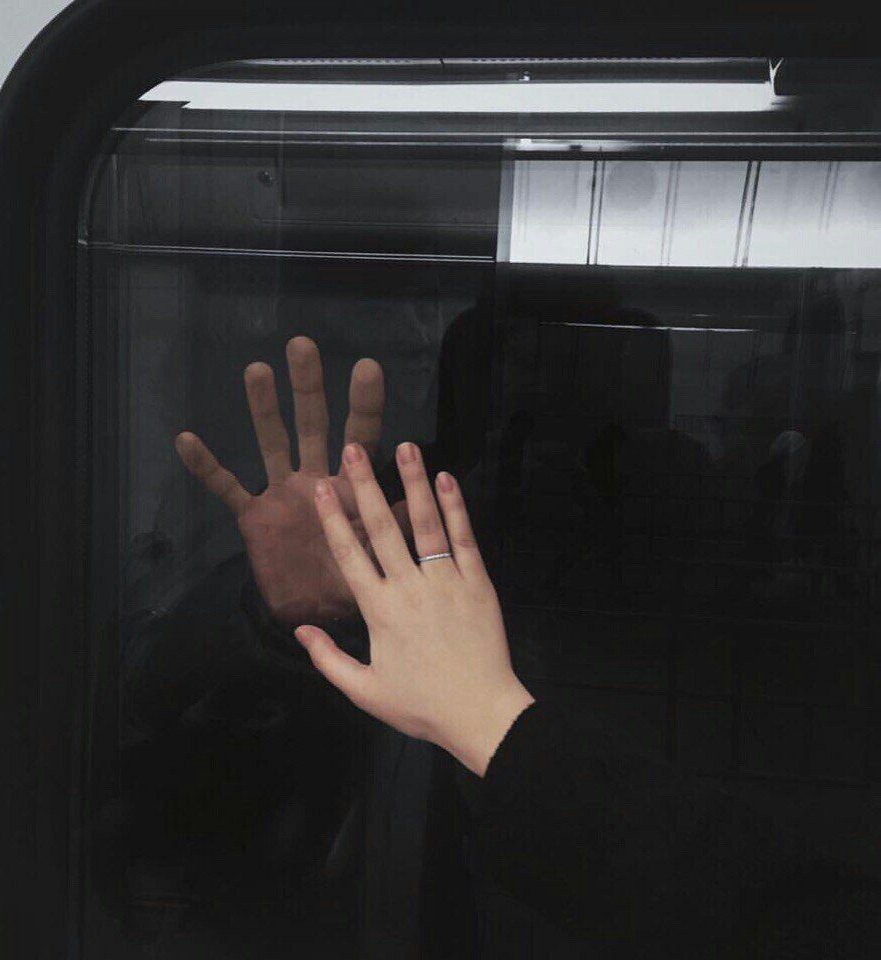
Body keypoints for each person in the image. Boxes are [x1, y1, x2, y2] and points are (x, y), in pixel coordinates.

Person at [172, 337, 881, 958]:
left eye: (582, 380)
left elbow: (781, 901)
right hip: (439, 879)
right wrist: (291, 624)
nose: (550, 400)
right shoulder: (412, 508)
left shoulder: (682, 492)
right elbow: (232, 747)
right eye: (523, 372)